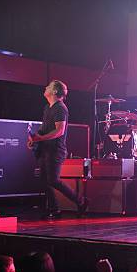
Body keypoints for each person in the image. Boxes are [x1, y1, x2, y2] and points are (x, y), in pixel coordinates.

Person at [28, 80, 88, 219]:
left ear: (54, 91)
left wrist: (39, 139)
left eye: (48, 86)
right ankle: (55, 209)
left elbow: (59, 131)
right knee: (45, 180)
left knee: (53, 180)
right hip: (45, 149)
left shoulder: (60, 108)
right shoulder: (48, 108)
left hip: (55, 150)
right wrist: (34, 139)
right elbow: (44, 129)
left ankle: (81, 201)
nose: (45, 87)